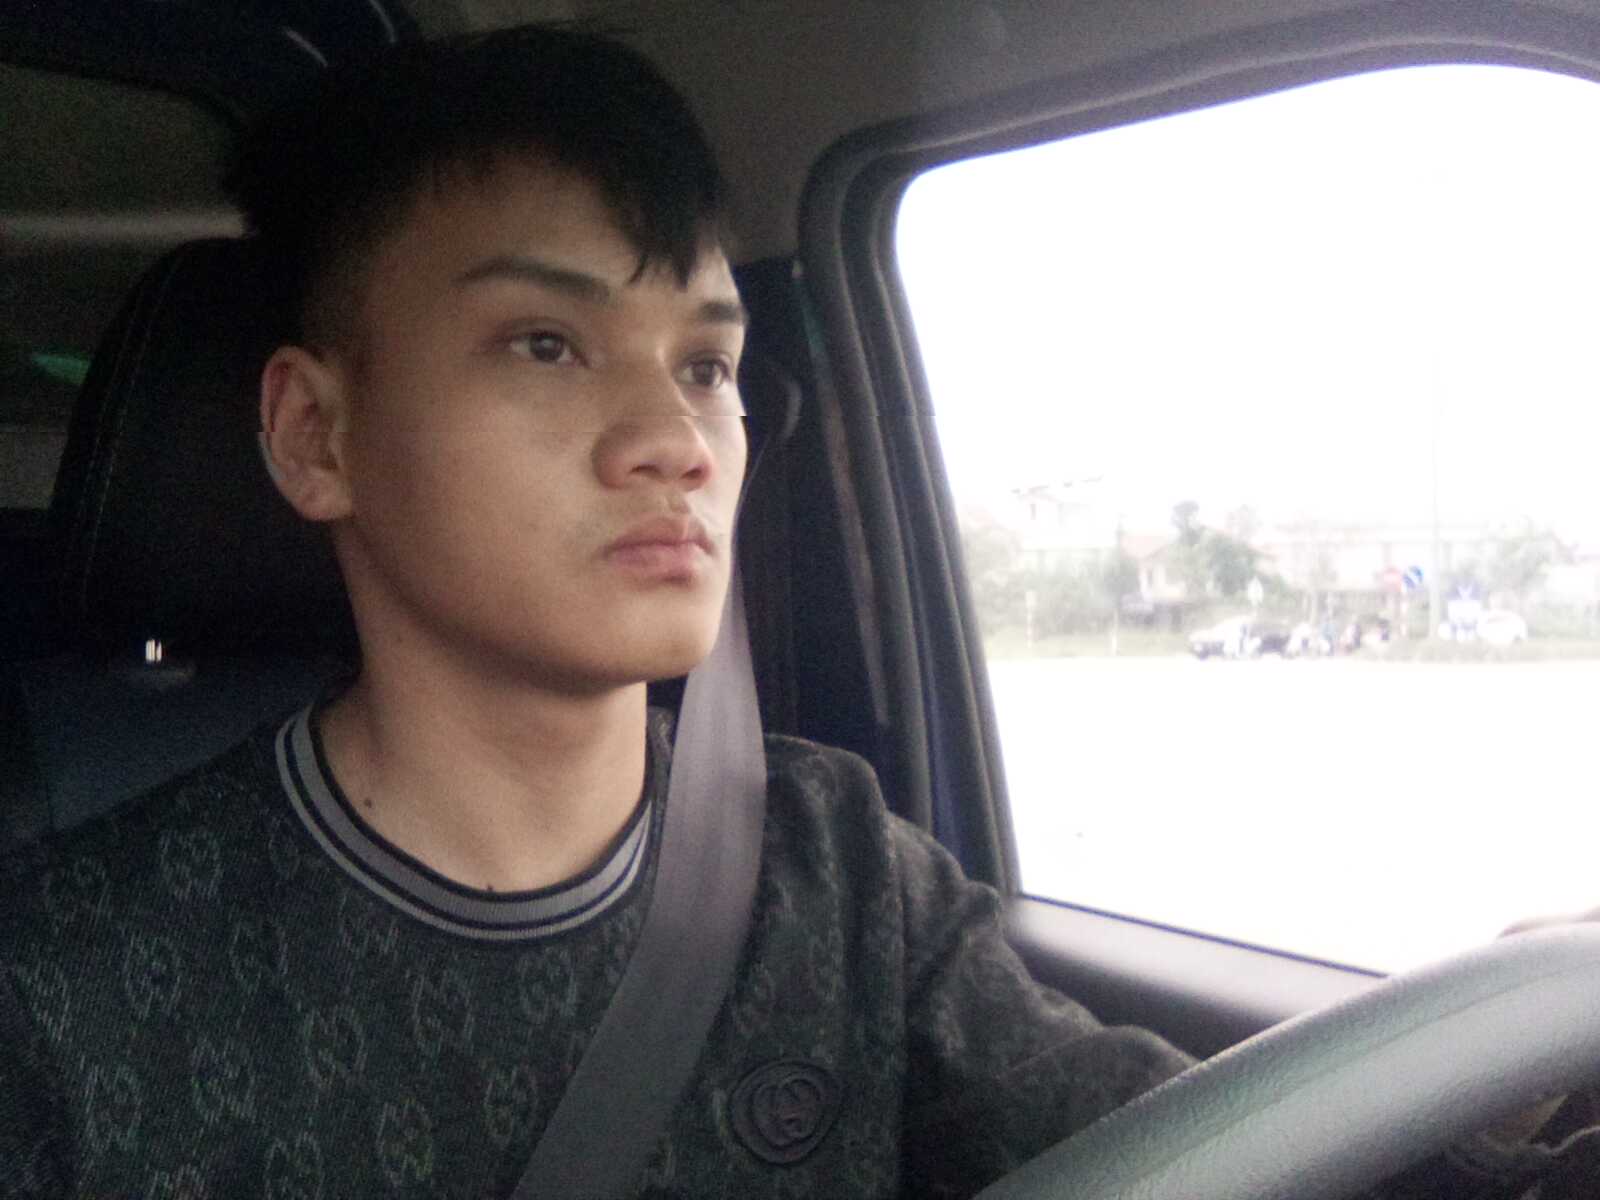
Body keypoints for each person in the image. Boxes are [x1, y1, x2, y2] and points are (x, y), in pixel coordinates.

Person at [0, 26, 1570, 1200]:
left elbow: (1188, 1153)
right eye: (546, 344)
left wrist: (1489, 1067)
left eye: (706, 364)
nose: (675, 438)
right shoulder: (64, 979)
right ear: (315, 436)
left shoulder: (831, 869)